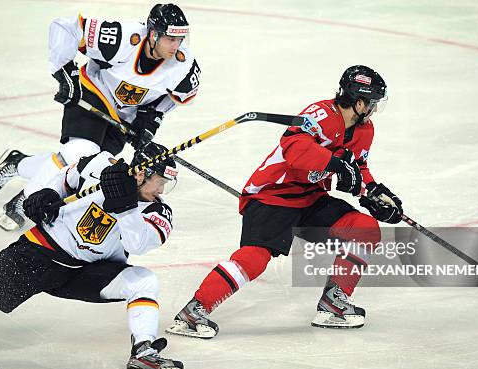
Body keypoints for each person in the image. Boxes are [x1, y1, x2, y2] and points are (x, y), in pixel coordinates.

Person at [166, 65, 403, 338]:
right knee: (255, 258)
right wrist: (336, 165)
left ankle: (333, 304)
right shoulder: (320, 114)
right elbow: (295, 150)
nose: (373, 110)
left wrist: (375, 193)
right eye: (372, 103)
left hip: (311, 197)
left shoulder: (364, 130)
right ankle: (193, 313)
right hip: (272, 195)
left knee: (364, 228)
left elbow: (357, 167)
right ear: (359, 101)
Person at [0, 143, 184, 369]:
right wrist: (46, 193)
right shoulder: (98, 165)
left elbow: (137, 244)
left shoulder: (158, 212)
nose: (161, 191)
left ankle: (143, 353)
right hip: (35, 254)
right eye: (159, 182)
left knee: (143, 281)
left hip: (84, 273)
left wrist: (125, 207)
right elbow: (65, 179)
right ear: (141, 173)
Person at [0, 3, 200, 231]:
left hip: (124, 117)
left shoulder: (184, 65)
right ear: (153, 35)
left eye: (180, 39)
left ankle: (19, 164)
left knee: (85, 163)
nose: (176, 45)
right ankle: (23, 203)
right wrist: (65, 72)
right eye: (170, 39)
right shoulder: (124, 39)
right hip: (94, 94)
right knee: (78, 153)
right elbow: (66, 28)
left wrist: (151, 118)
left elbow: (175, 97)